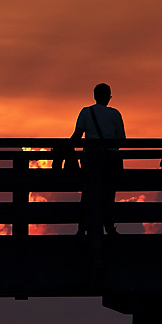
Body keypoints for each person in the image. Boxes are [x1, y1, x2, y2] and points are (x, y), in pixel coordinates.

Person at [68, 83, 126, 234]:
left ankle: (82, 229)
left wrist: (66, 147)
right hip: (110, 160)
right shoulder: (115, 114)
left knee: (88, 194)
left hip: (91, 159)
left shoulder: (86, 112)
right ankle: (109, 227)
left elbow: (77, 135)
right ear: (108, 97)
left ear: (94, 96)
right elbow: (121, 140)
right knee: (108, 195)